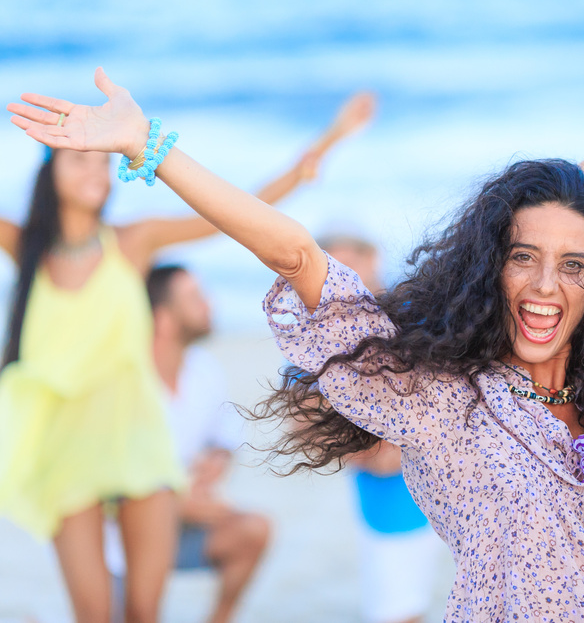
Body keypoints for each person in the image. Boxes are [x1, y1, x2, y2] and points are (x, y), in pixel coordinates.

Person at [8, 68, 584, 621]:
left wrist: (569, 211)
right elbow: (297, 254)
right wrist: (145, 143)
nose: (544, 285)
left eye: (571, 265)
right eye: (521, 257)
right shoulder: (442, 397)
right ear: (487, 269)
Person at [0, 85, 374, 623]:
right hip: (66, 455)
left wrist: (331, 138)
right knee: (93, 616)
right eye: (78, 160)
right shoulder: (28, 250)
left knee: (145, 613)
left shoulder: (132, 243)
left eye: (102, 163)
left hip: (137, 444)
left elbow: (238, 210)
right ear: (49, 174)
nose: (95, 173)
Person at [104, 265, 272, 623]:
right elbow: (104, 483)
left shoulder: (204, 369)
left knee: (255, 530)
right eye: (195, 298)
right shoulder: (123, 383)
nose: (209, 304)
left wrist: (218, 459)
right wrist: (176, 505)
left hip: (185, 530)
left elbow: (227, 435)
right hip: (122, 547)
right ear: (163, 319)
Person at [317, 233, 444, 623]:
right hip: (395, 502)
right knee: (401, 612)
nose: (339, 282)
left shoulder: (420, 310)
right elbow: (369, 456)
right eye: (327, 274)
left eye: (345, 267)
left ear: (374, 257)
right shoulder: (317, 339)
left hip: (470, 487)